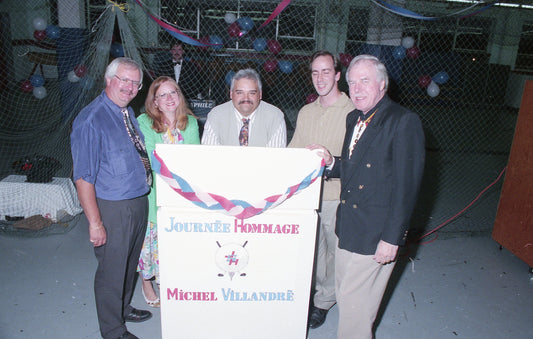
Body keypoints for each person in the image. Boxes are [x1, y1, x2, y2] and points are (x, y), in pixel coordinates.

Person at [310, 55, 425, 338]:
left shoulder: (403, 121)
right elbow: (354, 167)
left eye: (365, 81)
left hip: (375, 233)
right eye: (352, 82)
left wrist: (392, 238)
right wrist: (331, 163)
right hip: (348, 226)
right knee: (354, 305)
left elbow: (406, 187)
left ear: (382, 84)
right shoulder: (355, 118)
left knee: (354, 310)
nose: (357, 88)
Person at [70, 57, 152, 339]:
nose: (129, 87)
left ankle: (123, 307)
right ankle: (113, 330)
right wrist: (95, 223)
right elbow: (83, 177)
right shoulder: (91, 120)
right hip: (113, 207)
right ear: (108, 80)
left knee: (129, 264)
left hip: (137, 200)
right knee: (112, 270)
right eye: (123, 80)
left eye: (135, 83)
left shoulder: (126, 112)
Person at [288, 51, 355, 329]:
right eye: (315, 72)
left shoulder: (353, 112)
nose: (320, 78)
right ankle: (314, 294)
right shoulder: (306, 112)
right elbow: (293, 150)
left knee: (334, 252)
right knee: (313, 250)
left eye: (326, 71)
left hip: (337, 196)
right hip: (308, 195)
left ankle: (324, 301)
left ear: (338, 75)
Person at [136, 76, 200, 307]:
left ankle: (168, 282)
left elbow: (194, 160)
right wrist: (177, 166)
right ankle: (147, 284)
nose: (169, 98)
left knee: (172, 245)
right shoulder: (144, 122)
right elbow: (151, 157)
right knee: (150, 244)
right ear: (154, 101)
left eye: (173, 92)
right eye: (162, 94)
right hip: (153, 193)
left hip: (182, 196)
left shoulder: (190, 123)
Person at [201, 68, 286, 147]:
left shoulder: (275, 117)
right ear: (231, 94)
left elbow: (275, 159)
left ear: (260, 95)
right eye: (240, 93)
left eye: (252, 93)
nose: (246, 98)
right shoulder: (216, 115)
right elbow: (210, 156)